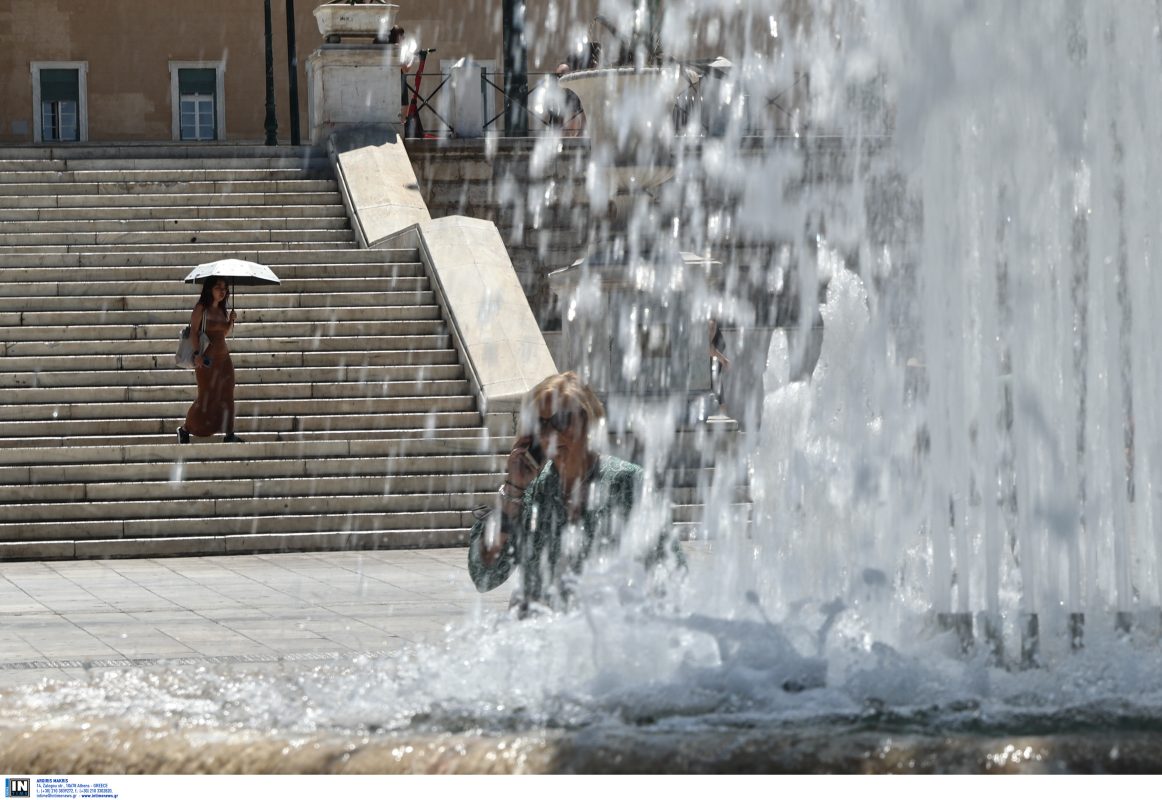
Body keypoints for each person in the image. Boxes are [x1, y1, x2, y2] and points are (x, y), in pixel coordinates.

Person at [468, 371, 684, 612]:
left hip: (601, 635)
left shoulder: (627, 481)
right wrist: (514, 490)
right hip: (535, 636)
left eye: (561, 421)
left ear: (587, 420)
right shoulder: (527, 492)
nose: (551, 434)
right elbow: (484, 576)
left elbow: (671, 569)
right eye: (540, 424)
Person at [177, 278, 243, 444]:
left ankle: (229, 433)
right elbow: (193, 333)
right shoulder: (201, 308)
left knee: (228, 394)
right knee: (206, 397)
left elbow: (224, 333)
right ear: (209, 289)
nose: (222, 291)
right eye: (218, 287)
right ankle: (185, 429)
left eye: (225, 288)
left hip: (224, 359)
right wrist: (197, 354)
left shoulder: (222, 310)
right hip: (206, 360)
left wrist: (231, 321)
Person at [709, 318, 730, 415]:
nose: (710, 332)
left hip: (714, 374)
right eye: (708, 329)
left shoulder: (719, 340)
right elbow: (709, 350)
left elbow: (711, 350)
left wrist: (722, 359)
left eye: (712, 329)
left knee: (721, 400)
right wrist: (722, 359)